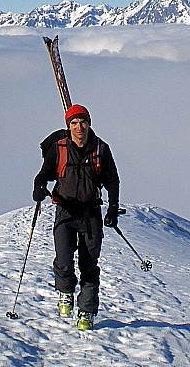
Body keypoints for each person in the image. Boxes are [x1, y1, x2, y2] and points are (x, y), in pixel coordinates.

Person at [33, 104, 120, 330]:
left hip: (90, 214)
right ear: (68, 126)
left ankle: (87, 311)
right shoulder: (59, 149)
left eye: (83, 122)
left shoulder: (101, 149)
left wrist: (112, 208)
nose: (79, 127)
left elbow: (112, 180)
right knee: (63, 258)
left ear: (89, 124)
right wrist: (39, 188)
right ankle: (65, 291)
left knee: (89, 264)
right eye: (74, 123)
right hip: (65, 211)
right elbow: (43, 175)